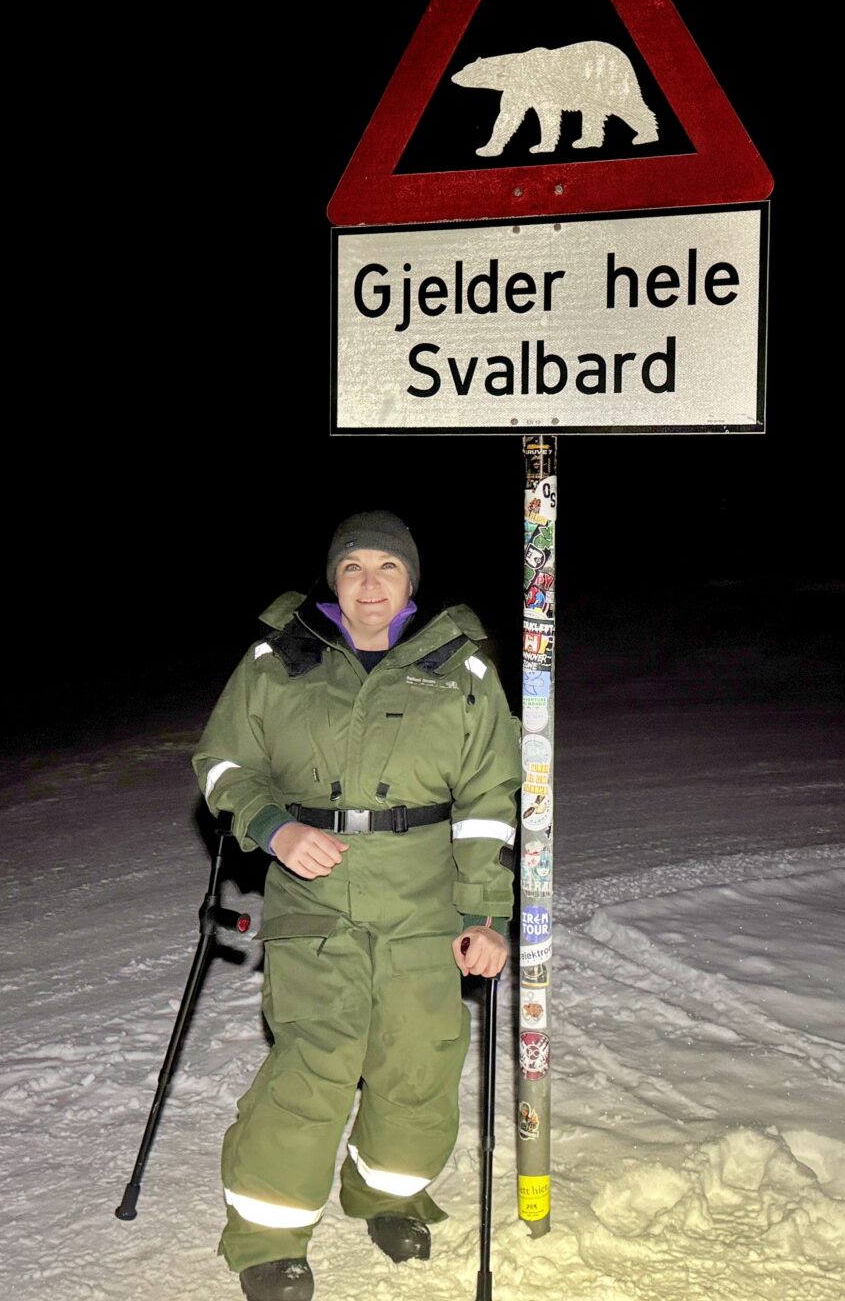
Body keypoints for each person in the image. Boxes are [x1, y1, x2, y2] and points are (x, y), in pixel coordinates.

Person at [194, 510, 518, 1301]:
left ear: (411, 582)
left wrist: (488, 916)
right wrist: (275, 829)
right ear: (333, 579)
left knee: (420, 1059)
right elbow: (223, 762)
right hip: (316, 892)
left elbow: (490, 802)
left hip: (425, 897)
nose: (370, 585)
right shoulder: (280, 661)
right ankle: (269, 1236)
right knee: (318, 1059)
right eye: (353, 568)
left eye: (387, 568)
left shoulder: (461, 671)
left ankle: (386, 1192)